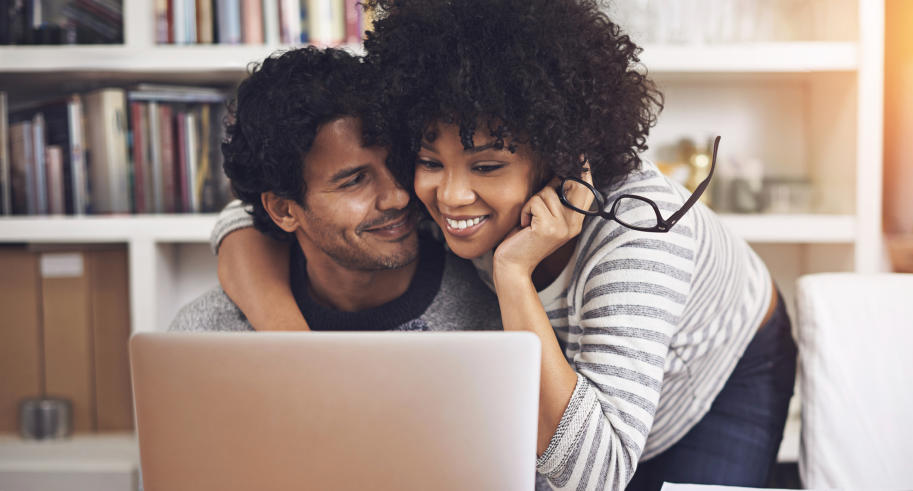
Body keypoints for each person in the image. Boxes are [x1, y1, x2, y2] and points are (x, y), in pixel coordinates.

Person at [214, 1, 798, 490]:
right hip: (587, 413)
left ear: (557, 157)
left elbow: (595, 476)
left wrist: (513, 274)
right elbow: (243, 219)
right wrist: (294, 354)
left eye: (488, 165)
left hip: (720, 372)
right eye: (428, 161)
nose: (452, 196)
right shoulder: (416, 191)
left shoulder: (639, 233)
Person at [169, 45, 501, 337]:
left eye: (399, 161)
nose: (398, 196)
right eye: (354, 180)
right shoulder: (208, 336)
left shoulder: (495, 310)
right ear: (285, 210)